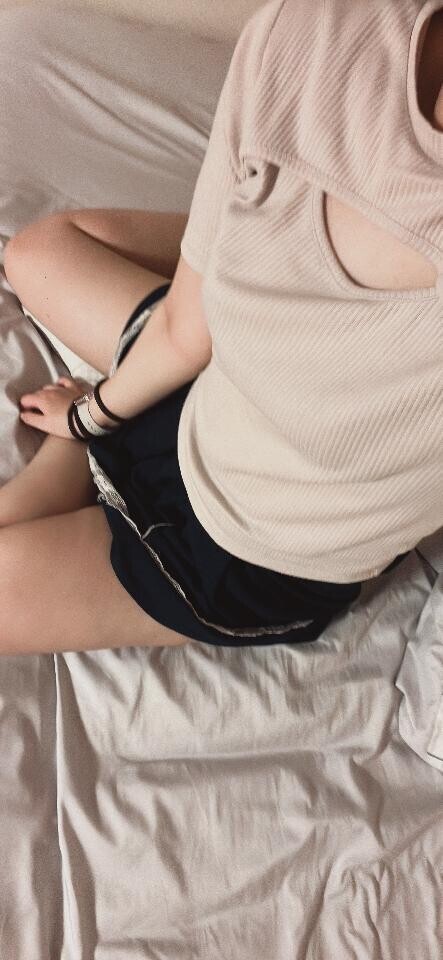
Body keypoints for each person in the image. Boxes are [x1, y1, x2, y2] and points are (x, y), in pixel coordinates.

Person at [2, 0, 442, 655]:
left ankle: (86, 455)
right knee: (37, 255)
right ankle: (95, 444)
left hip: (252, 550)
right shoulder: (319, 29)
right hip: (207, 381)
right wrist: (90, 418)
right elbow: (186, 332)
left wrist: (84, 429)